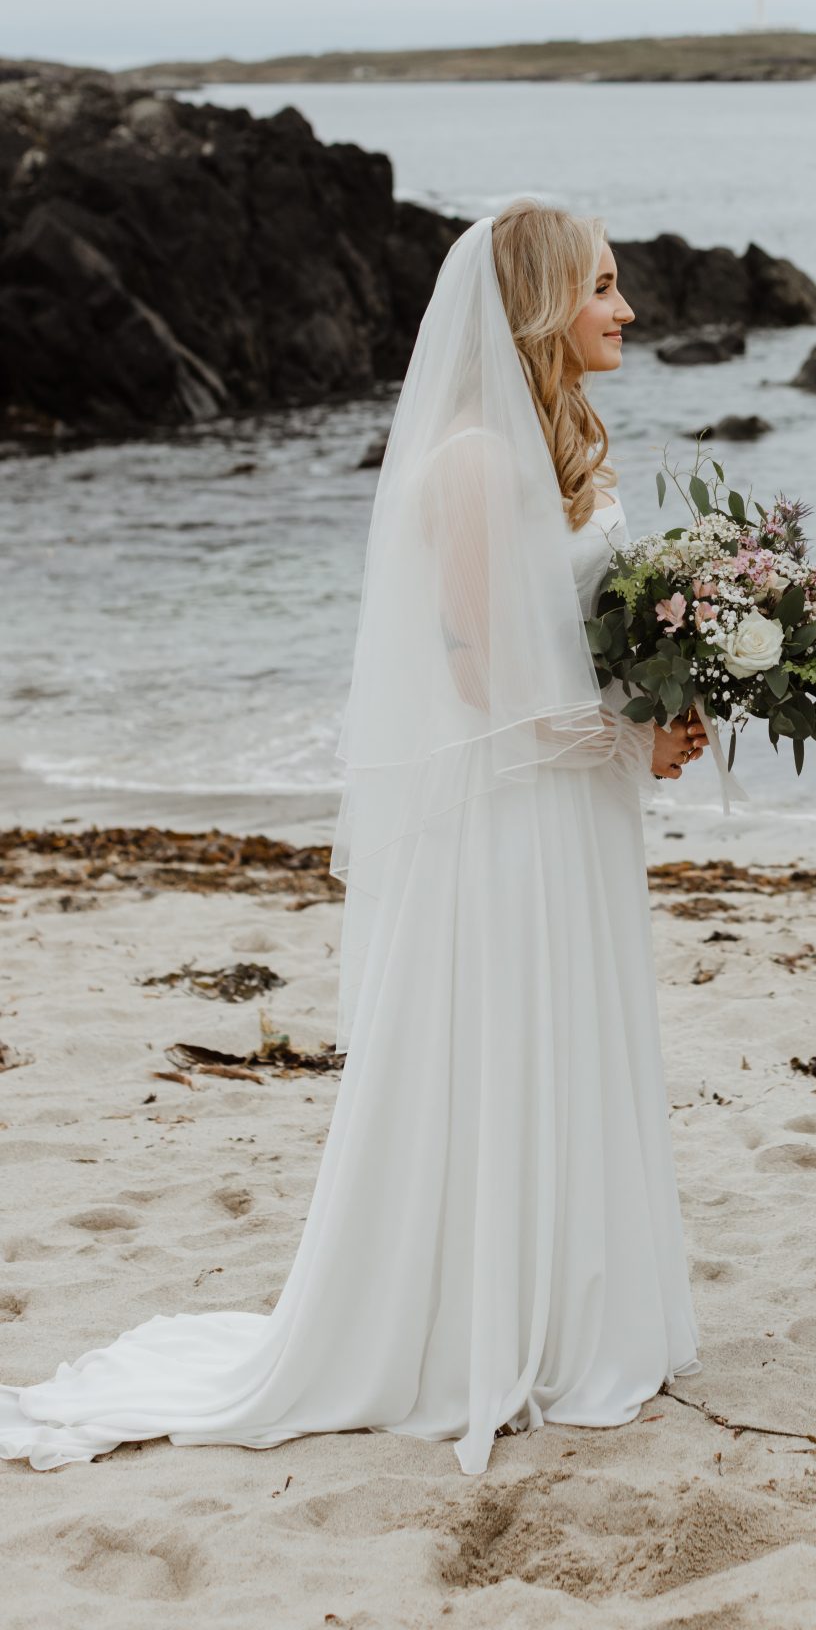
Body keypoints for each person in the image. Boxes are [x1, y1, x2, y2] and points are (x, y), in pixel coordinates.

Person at [1, 202, 705, 1475]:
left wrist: (668, 691)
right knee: (510, 1046)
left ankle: (572, 1302)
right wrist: (631, 735)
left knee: (571, 1038)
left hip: (571, 807)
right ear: (543, 302)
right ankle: (486, 1324)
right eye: (604, 287)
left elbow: (579, 644)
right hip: (515, 821)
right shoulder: (479, 461)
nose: (626, 309)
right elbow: (491, 684)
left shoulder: (550, 450)